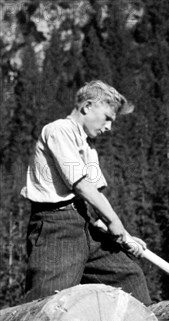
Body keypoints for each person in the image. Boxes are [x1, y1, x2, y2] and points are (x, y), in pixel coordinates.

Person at [21, 80, 151, 304]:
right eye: (107, 118)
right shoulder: (58, 131)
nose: (109, 126)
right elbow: (81, 186)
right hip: (56, 226)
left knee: (129, 278)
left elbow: (94, 196)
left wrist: (122, 235)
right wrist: (115, 224)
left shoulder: (89, 147)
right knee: (48, 303)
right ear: (87, 106)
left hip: (84, 223)